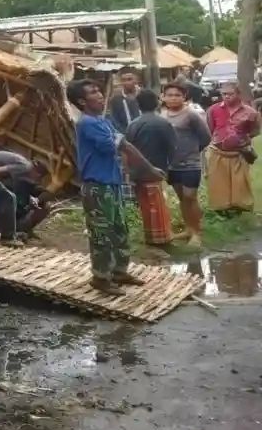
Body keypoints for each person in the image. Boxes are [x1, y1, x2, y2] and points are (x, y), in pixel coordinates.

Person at [67, 78, 162, 296]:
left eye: (99, 90)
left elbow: (124, 146)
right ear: (82, 101)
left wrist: (146, 169)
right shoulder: (87, 124)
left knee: (119, 229)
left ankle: (119, 271)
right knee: (102, 233)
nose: (100, 94)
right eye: (93, 92)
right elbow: (122, 146)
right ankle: (100, 277)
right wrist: (150, 169)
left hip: (112, 184)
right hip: (98, 187)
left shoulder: (103, 121)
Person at [123, 89, 176, 246]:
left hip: (137, 171)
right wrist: (169, 167)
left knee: (145, 204)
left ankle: (149, 236)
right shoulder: (163, 123)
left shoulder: (133, 124)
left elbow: (126, 149)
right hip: (156, 170)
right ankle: (161, 237)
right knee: (157, 203)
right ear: (158, 102)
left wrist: (129, 171)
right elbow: (172, 147)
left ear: (138, 105)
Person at [162, 82, 212, 246]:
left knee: (191, 197)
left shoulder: (192, 115)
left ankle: (196, 232)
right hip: (171, 165)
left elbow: (206, 137)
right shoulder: (162, 115)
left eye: (177, 95)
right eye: (169, 95)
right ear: (163, 97)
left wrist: (192, 151)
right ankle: (188, 228)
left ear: (184, 97)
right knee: (182, 197)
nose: (173, 98)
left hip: (191, 164)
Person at [205, 82, 260, 214]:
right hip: (218, 151)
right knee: (219, 182)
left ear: (239, 94)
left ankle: (238, 209)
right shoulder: (213, 109)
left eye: (231, 94)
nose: (227, 97)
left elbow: (255, 130)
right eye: (224, 94)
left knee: (239, 183)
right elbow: (210, 129)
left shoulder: (250, 112)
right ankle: (221, 209)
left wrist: (242, 140)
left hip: (239, 153)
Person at [0, 150, 51, 242]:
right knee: (8, 197)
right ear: (37, 174)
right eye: (38, 178)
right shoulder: (24, 168)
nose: (37, 180)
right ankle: (8, 237)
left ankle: (14, 230)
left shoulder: (25, 168)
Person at [106, 68, 142, 133]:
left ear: (137, 80)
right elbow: (114, 120)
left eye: (129, 79)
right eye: (123, 80)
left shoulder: (144, 95)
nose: (126, 83)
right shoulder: (116, 99)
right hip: (125, 135)